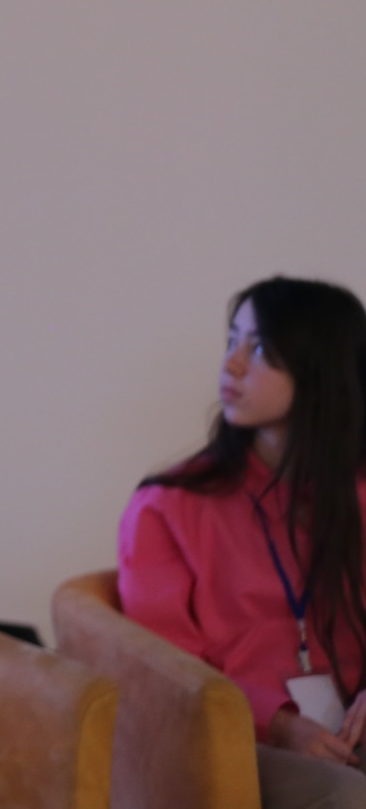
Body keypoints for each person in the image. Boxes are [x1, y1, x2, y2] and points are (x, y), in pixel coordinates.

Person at [120, 276, 366, 807]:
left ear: (320, 370)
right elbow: (165, 668)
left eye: (258, 350)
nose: (231, 365)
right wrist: (276, 723)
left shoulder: (357, 492)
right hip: (239, 741)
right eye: (232, 341)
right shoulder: (169, 505)